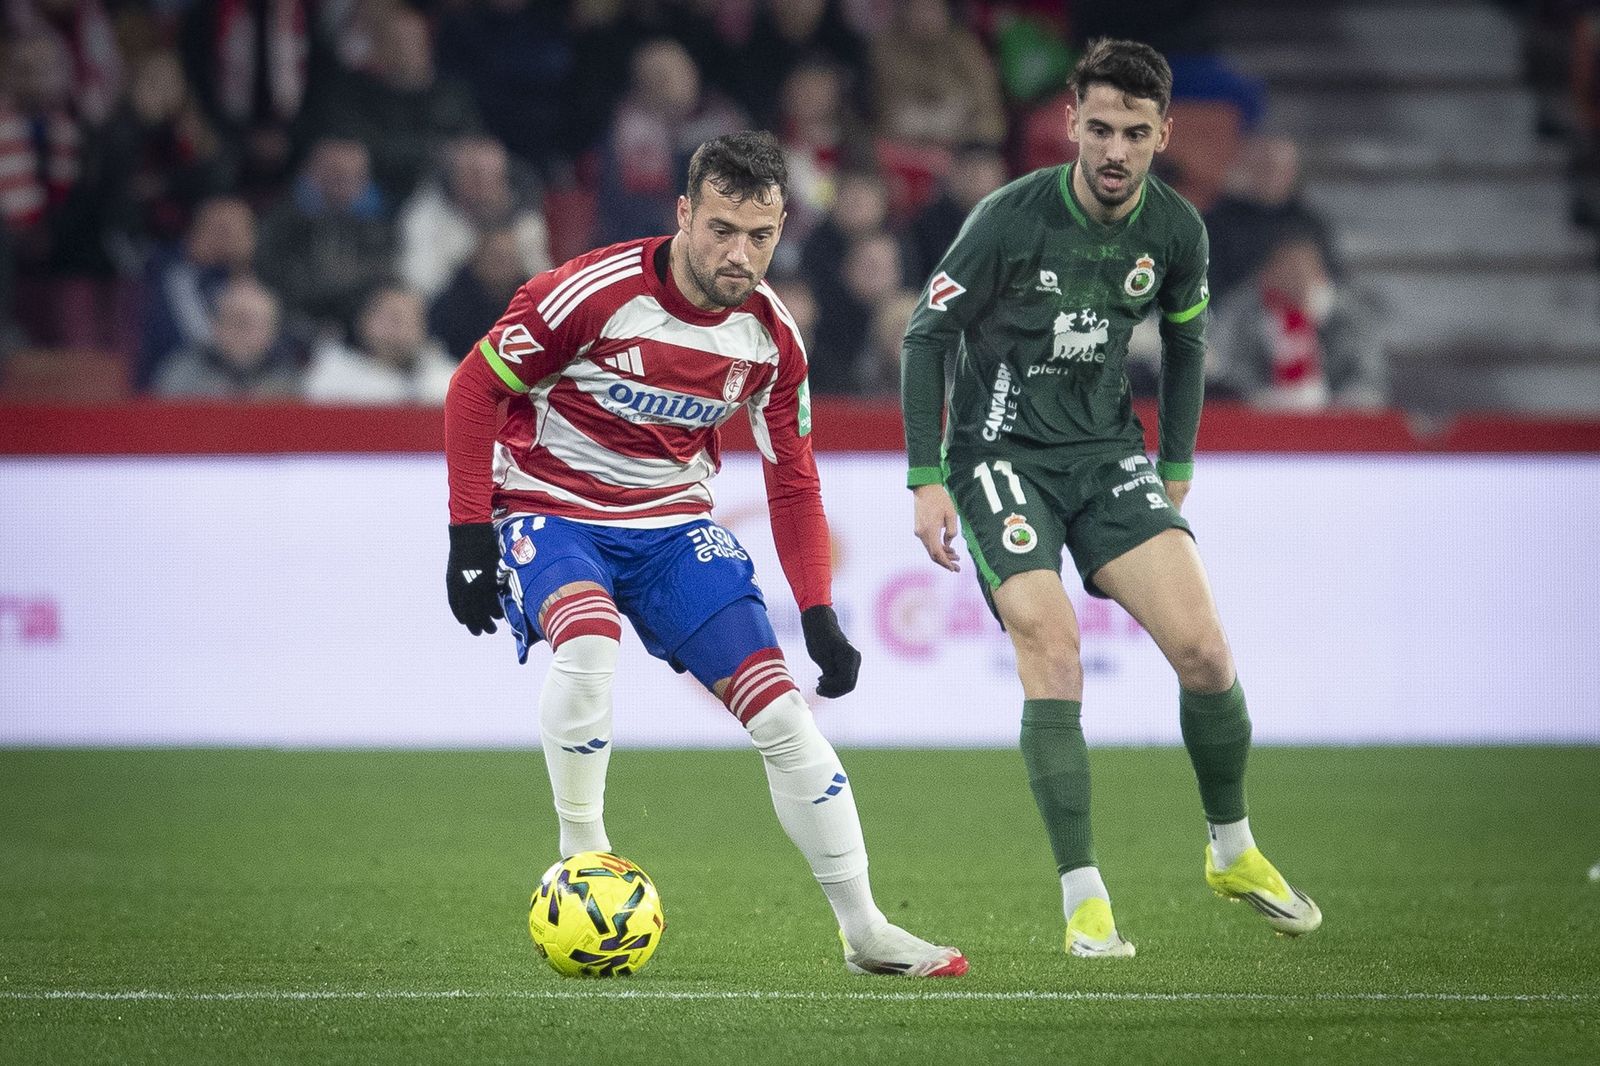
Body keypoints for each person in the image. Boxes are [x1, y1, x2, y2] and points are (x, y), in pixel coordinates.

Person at [443, 131, 966, 978]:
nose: (739, 253)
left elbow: (792, 482)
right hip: (553, 507)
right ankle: (585, 863)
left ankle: (865, 930)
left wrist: (821, 612)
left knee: (785, 716)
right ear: (683, 213)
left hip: (672, 529)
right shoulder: (590, 292)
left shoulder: (772, 340)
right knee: (585, 641)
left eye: (760, 236)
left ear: (783, 226)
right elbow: (476, 388)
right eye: (721, 229)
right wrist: (469, 534)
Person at [899, 39, 1322, 959]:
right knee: (1053, 647)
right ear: (1071, 125)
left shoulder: (1176, 231)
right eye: (1099, 128)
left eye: (1135, 131)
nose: (1115, 149)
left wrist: (1175, 466)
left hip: (1106, 453)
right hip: (999, 457)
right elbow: (927, 335)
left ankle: (1232, 849)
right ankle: (1085, 896)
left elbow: (1186, 346)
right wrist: (926, 476)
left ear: (1164, 133)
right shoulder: (1008, 218)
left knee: (1207, 654)